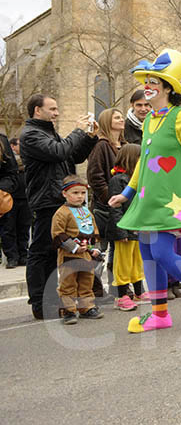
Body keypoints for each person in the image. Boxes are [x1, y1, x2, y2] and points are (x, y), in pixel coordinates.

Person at [107, 49, 181, 333]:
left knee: (161, 251)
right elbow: (144, 162)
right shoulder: (150, 119)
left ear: (167, 88)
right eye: (146, 82)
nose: (147, 87)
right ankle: (159, 313)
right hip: (149, 199)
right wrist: (127, 192)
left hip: (172, 201)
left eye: (153, 83)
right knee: (148, 251)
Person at [20, 94, 98, 320]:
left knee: (64, 250)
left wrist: (90, 137)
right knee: (42, 251)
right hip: (47, 201)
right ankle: (40, 302)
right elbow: (59, 151)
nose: (56, 113)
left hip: (60, 198)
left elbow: (73, 155)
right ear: (37, 110)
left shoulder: (47, 132)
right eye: (52, 109)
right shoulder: (31, 134)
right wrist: (77, 131)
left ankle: (67, 299)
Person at [51, 175, 103, 324]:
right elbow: (58, 235)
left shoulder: (87, 212)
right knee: (68, 284)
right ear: (64, 194)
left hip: (86, 256)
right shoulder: (61, 213)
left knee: (87, 282)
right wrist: (74, 248)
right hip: (69, 257)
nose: (79, 196)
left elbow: (94, 232)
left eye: (82, 193)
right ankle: (68, 310)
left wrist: (93, 248)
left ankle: (86, 308)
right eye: (75, 193)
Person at [87, 108, 126, 296]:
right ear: (106, 121)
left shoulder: (125, 145)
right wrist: (109, 198)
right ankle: (93, 288)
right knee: (99, 250)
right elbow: (95, 176)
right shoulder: (101, 145)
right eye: (117, 117)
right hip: (104, 208)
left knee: (118, 250)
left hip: (122, 207)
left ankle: (117, 286)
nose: (122, 119)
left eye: (121, 116)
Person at [106, 144, 145, 310]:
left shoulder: (137, 179)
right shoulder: (118, 180)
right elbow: (115, 209)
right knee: (122, 264)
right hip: (123, 230)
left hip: (137, 229)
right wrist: (121, 231)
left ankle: (138, 292)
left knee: (137, 262)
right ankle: (121, 296)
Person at [1, 137, 29, 268]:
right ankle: (12, 257)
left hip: (22, 196)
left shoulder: (27, 157)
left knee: (23, 227)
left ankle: (23, 255)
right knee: (8, 228)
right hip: (9, 196)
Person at [0, 133, 19, 267]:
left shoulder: (2, 140)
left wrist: (3, 190)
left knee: (7, 229)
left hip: (1, 197)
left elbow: (12, 172)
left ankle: (12, 257)